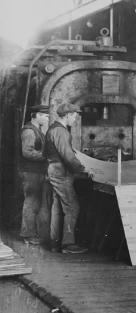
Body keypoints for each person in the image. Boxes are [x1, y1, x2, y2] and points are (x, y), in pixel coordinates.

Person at [44, 102, 88, 254]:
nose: (76, 119)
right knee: (72, 207)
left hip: (53, 170)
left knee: (57, 208)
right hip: (60, 172)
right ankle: (68, 244)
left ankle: (55, 243)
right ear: (68, 115)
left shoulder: (52, 129)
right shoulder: (61, 132)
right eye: (75, 115)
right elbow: (68, 156)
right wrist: (83, 169)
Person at [18, 104, 51, 245]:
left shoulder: (37, 131)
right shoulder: (29, 132)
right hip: (30, 172)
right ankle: (28, 235)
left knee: (35, 202)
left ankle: (31, 234)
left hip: (36, 171)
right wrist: (47, 157)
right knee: (31, 203)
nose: (47, 119)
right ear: (37, 115)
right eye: (45, 116)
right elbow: (27, 152)